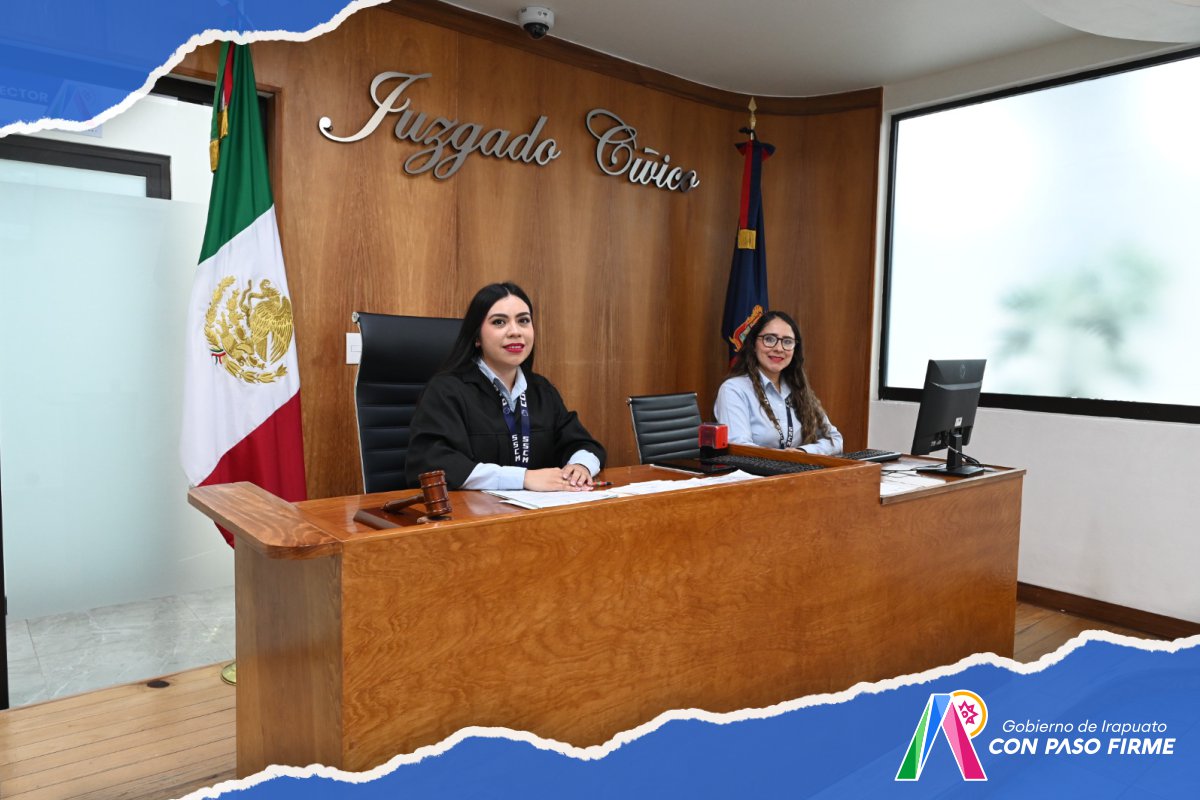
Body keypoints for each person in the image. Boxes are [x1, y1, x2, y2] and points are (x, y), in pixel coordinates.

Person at [405, 282, 606, 491]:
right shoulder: (446, 391)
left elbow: (583, 444)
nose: (515, 331)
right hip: (470, 509)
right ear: (476, 337)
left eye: (523, 321)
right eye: (499, 322)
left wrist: (580, 467)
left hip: (538, 508)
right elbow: (432, 464)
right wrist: (522, 478)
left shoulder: (541, 390)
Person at [714, 310, 844, 455]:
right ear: (754, 344)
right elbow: (739, 448)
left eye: (787, 341)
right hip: (753, 470)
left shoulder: (798, 388)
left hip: (795, 468)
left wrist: (802, 452)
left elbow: (835, 440)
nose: (778, 348)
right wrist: (784, 458)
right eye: (769, 339)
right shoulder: (734, 390)